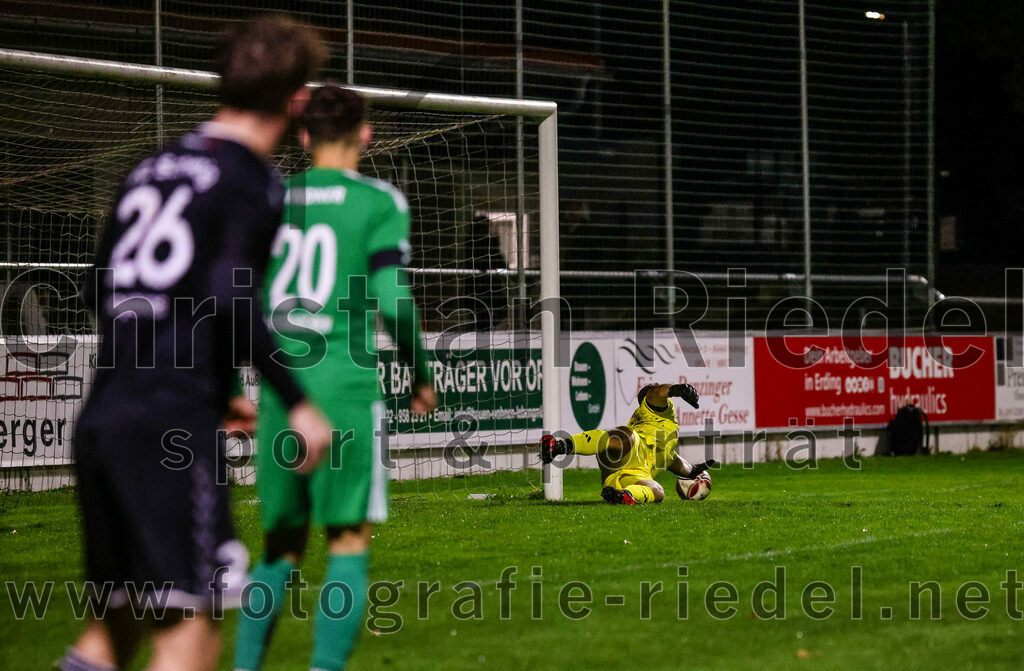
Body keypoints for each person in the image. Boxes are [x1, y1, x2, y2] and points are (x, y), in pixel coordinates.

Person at [63, 16, 331, 671]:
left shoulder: (151, 167)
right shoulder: (251, 179)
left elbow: (104, 283)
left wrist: (212, 390)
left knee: (113, 630)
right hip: (165, 426)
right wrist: (294, 399)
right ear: (296, 101)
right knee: (190, 633)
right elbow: (229, 293)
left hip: (105, 416)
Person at [233, 84, 437, 671]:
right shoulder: (379, 201)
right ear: (366, 133)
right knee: (346, 539)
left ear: (302, 136)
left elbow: (230, 297)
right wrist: (420, 373)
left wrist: (228, 388)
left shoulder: (270, 197)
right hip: (346, 392)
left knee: (279, 547)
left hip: (281, 394)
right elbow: (394, 304)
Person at [540, 383, 714, 504]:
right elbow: (658, 392)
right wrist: (679, 389)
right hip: (627, 454)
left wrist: (693, 471)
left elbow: (678, 464)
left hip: (630, 477)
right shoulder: (651, 409)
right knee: (626, 436)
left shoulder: (667, 453)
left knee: (658, 492)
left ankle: (625, 496)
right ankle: (559, 446)